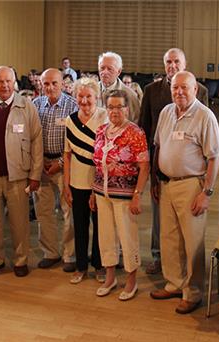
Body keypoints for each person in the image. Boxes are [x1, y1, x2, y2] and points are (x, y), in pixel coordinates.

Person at [149, 71, 219, 314]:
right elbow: (158, 145)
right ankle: (174, 283)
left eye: (184, 88)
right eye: (175, 87)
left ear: (195, 90)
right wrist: (156, 179)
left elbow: (214, 157)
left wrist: (207, 192)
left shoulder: (205, 116)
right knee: (169, 238)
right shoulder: (166, 112)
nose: (179, 92)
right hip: (167, 184)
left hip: (191, 184)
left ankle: (193, 292)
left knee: (192, 241)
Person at [137, 48, 209, 275]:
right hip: (160, 166)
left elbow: (207, 137)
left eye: (176, 61)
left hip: (190, 172)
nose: (172, 65)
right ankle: (160, 258)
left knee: (189, 222)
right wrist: (150, 169)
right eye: (168, 61)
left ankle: (187, 265)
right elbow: (145, 129)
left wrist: (207, 186)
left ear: (185, 64)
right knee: (162, 219)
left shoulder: (201, 92)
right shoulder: (152, 91)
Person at [0, 66, 43, 278]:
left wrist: (35, 175)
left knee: (19, 222)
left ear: (14, 83)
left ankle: (21, 260)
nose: (4, 85)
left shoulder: (27, 107)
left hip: (18, 176)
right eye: (0, 82)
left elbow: (36, 142)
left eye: (8, 81)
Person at [91, 89, 149, 301]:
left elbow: (144, 166)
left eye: (119, 107)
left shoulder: (135, 133)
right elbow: (96, 164)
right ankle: (110, 277)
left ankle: (131, 279)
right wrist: (92, 191)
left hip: (124, 194)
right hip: (101, 192)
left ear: (127, 108)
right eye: (111, 107)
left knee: (127, 236)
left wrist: (137, 194)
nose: (115, 111)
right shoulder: (100, 130)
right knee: (105, 237)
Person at [31, 68, 79, 271]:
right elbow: (31, 137)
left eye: (54, 83)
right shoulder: (35, 105)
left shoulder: (73, 105)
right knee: (44, 212)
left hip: (65, 166)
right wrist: (39, 161)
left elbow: (77, 139)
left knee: (69, 212)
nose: (50, 87)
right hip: (41, 165)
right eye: (46, 83)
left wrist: (59, 162)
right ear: (41, 84)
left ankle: (70, 255)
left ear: (62, 84)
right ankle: (50, 252)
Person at [63, 77, 107, 284]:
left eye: (88, 96)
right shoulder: (70, 120)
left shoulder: (105, 118)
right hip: (76, 183)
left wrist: (95, 189)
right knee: (79, 226)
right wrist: (66, 186)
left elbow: (106, 156)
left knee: (99, 226)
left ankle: (99, 265)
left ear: (96, 97)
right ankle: (81, 267)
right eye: (80, 96)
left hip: (98, 184)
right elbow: (68, 155)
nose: (84, 100)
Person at [97, 51, 140, 123]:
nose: (104, 72)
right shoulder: (92, 91)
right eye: (102, 68)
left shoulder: (130, 95)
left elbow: (135, 122)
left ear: (119, 72)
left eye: (109, 69)